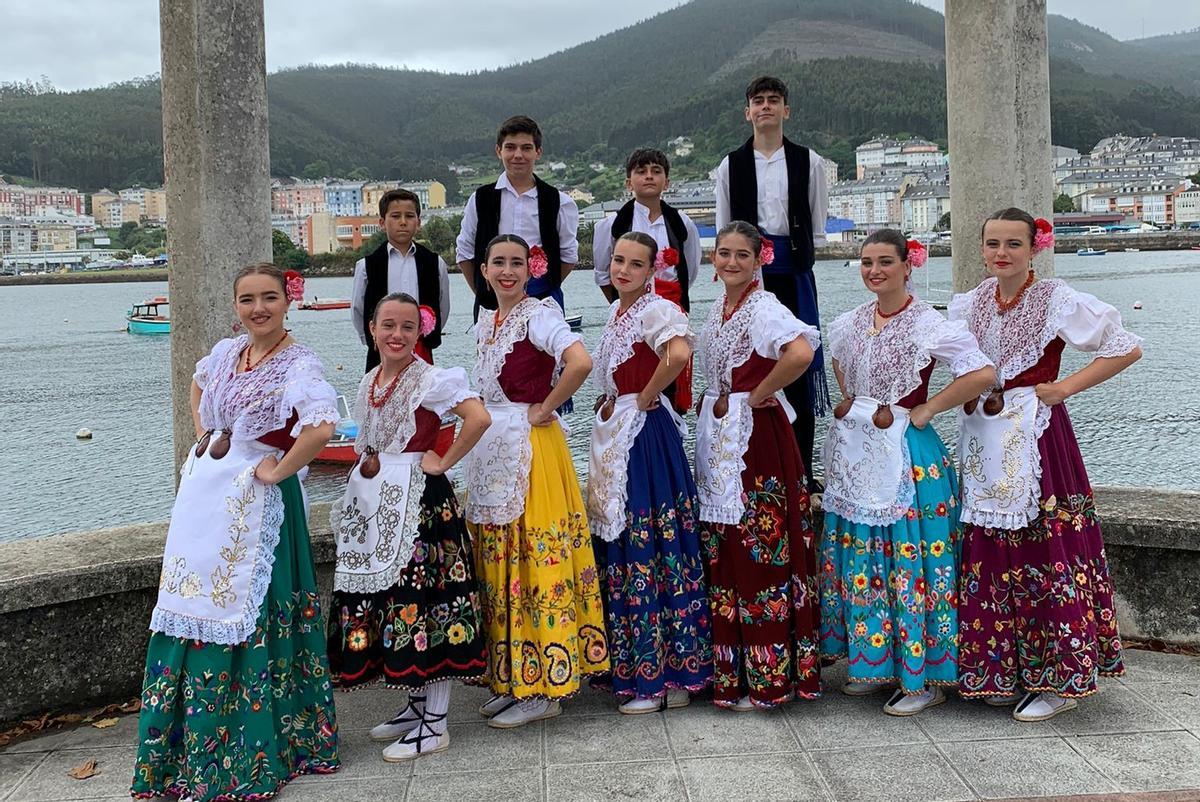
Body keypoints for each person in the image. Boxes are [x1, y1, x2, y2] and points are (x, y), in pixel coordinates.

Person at [132, 264, 340, 800]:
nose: (258, 309)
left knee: (251, 608)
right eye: (247, 299)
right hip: (210, 500)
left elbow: (321, 425)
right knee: (195, 600)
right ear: (235, 305)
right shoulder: (228, 353)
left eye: (268, 298)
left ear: (287, 302)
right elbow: (198, 384)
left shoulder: (298, 362)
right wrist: (208, 437)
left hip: (263, 503)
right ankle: (190, 746)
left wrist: (277, 466)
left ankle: (262, 744)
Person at [952, 207, 1142, 722]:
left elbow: (1125, 347)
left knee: (1045, 546)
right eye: (992, 243)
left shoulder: (1054, 298)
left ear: (1034, 247)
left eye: (1013, 244)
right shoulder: (969, 304)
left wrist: (1063, 388)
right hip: (984, 435)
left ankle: (1059, 677)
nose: (1001, 254)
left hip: (1037, 435)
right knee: (992, 549)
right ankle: (1002, 667)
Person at [820, 231, 995, 716]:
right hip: (859, 450)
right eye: (866, 262)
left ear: (906, 265)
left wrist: (927, 409)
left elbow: (982, 374)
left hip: (907, 452)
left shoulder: (927, 323)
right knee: (865, 556)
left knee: (910, 558)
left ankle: (924, 677)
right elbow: (840, 367)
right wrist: (857, 404)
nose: (874, 271)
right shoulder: (851, 322)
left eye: (884, 262)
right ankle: (875, 662)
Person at [327, 293, 492, 761]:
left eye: (406, 327)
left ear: (418, 334)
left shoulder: (430, 379)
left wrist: (443, 460)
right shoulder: (370, 381)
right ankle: (415, 703)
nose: (396, 335)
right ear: (373, 330)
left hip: (421, 503)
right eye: (388, 326)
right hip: (380, 503)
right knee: (396, 602)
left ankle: (435, 723)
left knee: (427, 602)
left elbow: (477, 417)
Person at [464, 233, 609, 727]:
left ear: (531, 269)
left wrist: (547, 406)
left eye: (517, 264)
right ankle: (512, 676)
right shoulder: (488, 321)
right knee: (502, 559)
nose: (507, 271)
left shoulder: (539, 314)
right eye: (498, 263)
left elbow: (581, 361)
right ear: (483, 270)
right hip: (491, 448)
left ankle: (545, 683)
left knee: (532, 556)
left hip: (531, 446)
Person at [694, 221, 822, 710]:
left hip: (757, 443)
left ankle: (771, 676)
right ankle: (738, 672)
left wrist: (762, 392)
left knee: (760, 547)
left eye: (740, 255)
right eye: (723, 253)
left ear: (758, 260)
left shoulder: (764, 308)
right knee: (728, 546)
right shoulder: (722, 309)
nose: (730, 262)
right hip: (724, 437)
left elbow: (801, 352)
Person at [586, 231, 712, 713]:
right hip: (623, 433)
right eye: (618, 260)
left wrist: (644, 396)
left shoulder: (654, 310)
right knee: (629, 540)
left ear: (651, 270)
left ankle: (667, 678)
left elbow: (678, 354)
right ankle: (643, 668)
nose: (623, 270)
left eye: (635, 264)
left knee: (650, 542)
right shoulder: (621, 313)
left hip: (645, 437)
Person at [714, 75, 830, 488]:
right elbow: (726, 226)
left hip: (794, 273)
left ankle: (803, 471)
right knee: (752, 366)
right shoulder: (730, 165)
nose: (765, 107)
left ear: (786, 110)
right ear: (747, 112)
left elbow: (816, 226)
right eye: (758, 101)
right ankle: (755, 465)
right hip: (750, 275)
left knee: (798, 368)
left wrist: (794, 255)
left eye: (773, 100)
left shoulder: (809, 161)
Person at [594, 147, 702, 412]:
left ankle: (670, 429)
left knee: (670, 381)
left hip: (671, 310)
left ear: (667, 181)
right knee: (636, 375)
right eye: (641, 171)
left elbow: (691, 268)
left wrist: (667, 304)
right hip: (631, 310)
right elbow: (603, 273)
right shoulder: (611, 226)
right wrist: (629, 305)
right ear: (629, 182)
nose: (649, 177)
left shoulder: (682, 223)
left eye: (656, 171)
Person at [456, 115, 580, 320]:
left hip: (543, 299)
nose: (518, 155)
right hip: (491, 300)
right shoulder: (479, 199)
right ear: (499, 151)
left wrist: (543, 285)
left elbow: (568, 256)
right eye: (510, 147)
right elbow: (464, 252)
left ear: (538, 152)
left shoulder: (560, 202)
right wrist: (483, 290)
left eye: (526, 148)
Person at [351, 188, 451, 372]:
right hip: (380, 353)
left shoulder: (435, 263)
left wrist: (425, 335)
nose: (403, 222)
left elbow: (442, 307)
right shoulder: (366, 266)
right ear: (382, 222)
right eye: (395, 216)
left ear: (418, 222)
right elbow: (358, 309)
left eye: (409, 216)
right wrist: (373, 340)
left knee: (423, 398)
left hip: (421, 349)